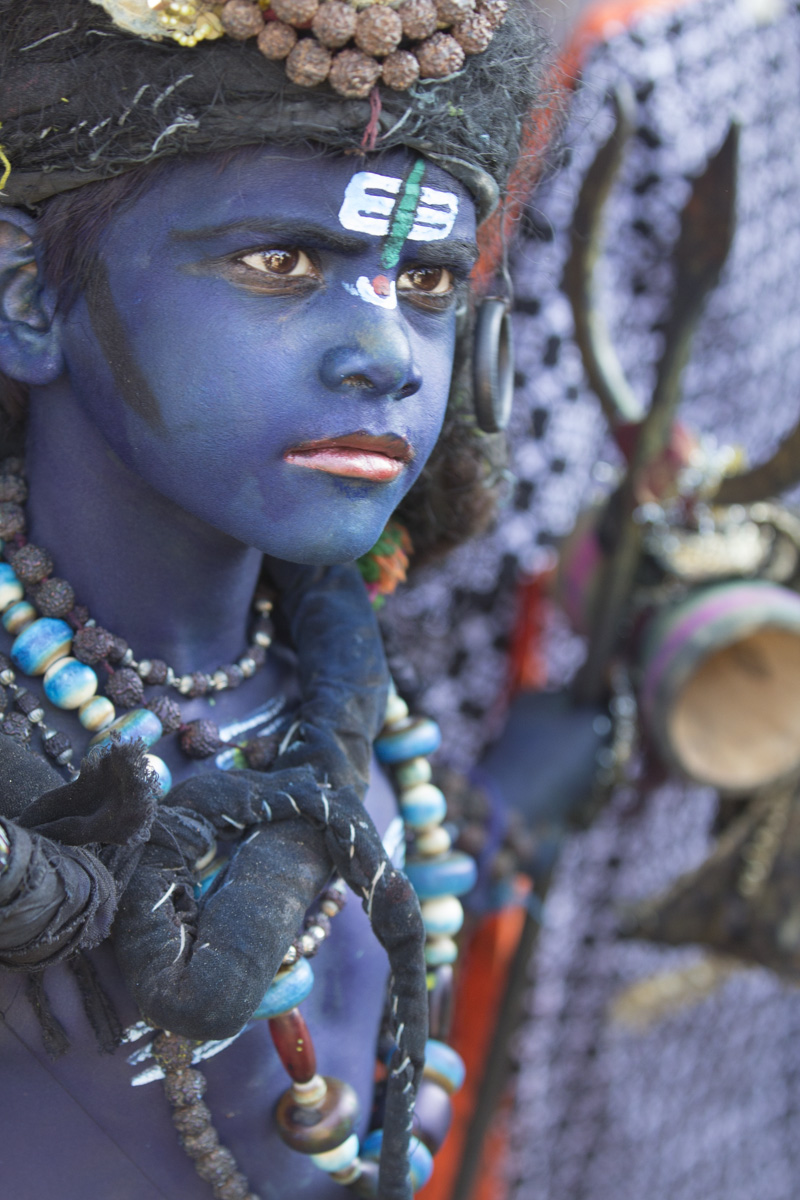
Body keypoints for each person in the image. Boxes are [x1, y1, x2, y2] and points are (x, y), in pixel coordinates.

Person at [0, 2, 550, 1197]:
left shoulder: (339, 691)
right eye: (282, 261)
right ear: (27, 296)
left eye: (426, 280)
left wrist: (516, 808)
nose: (390, 354)